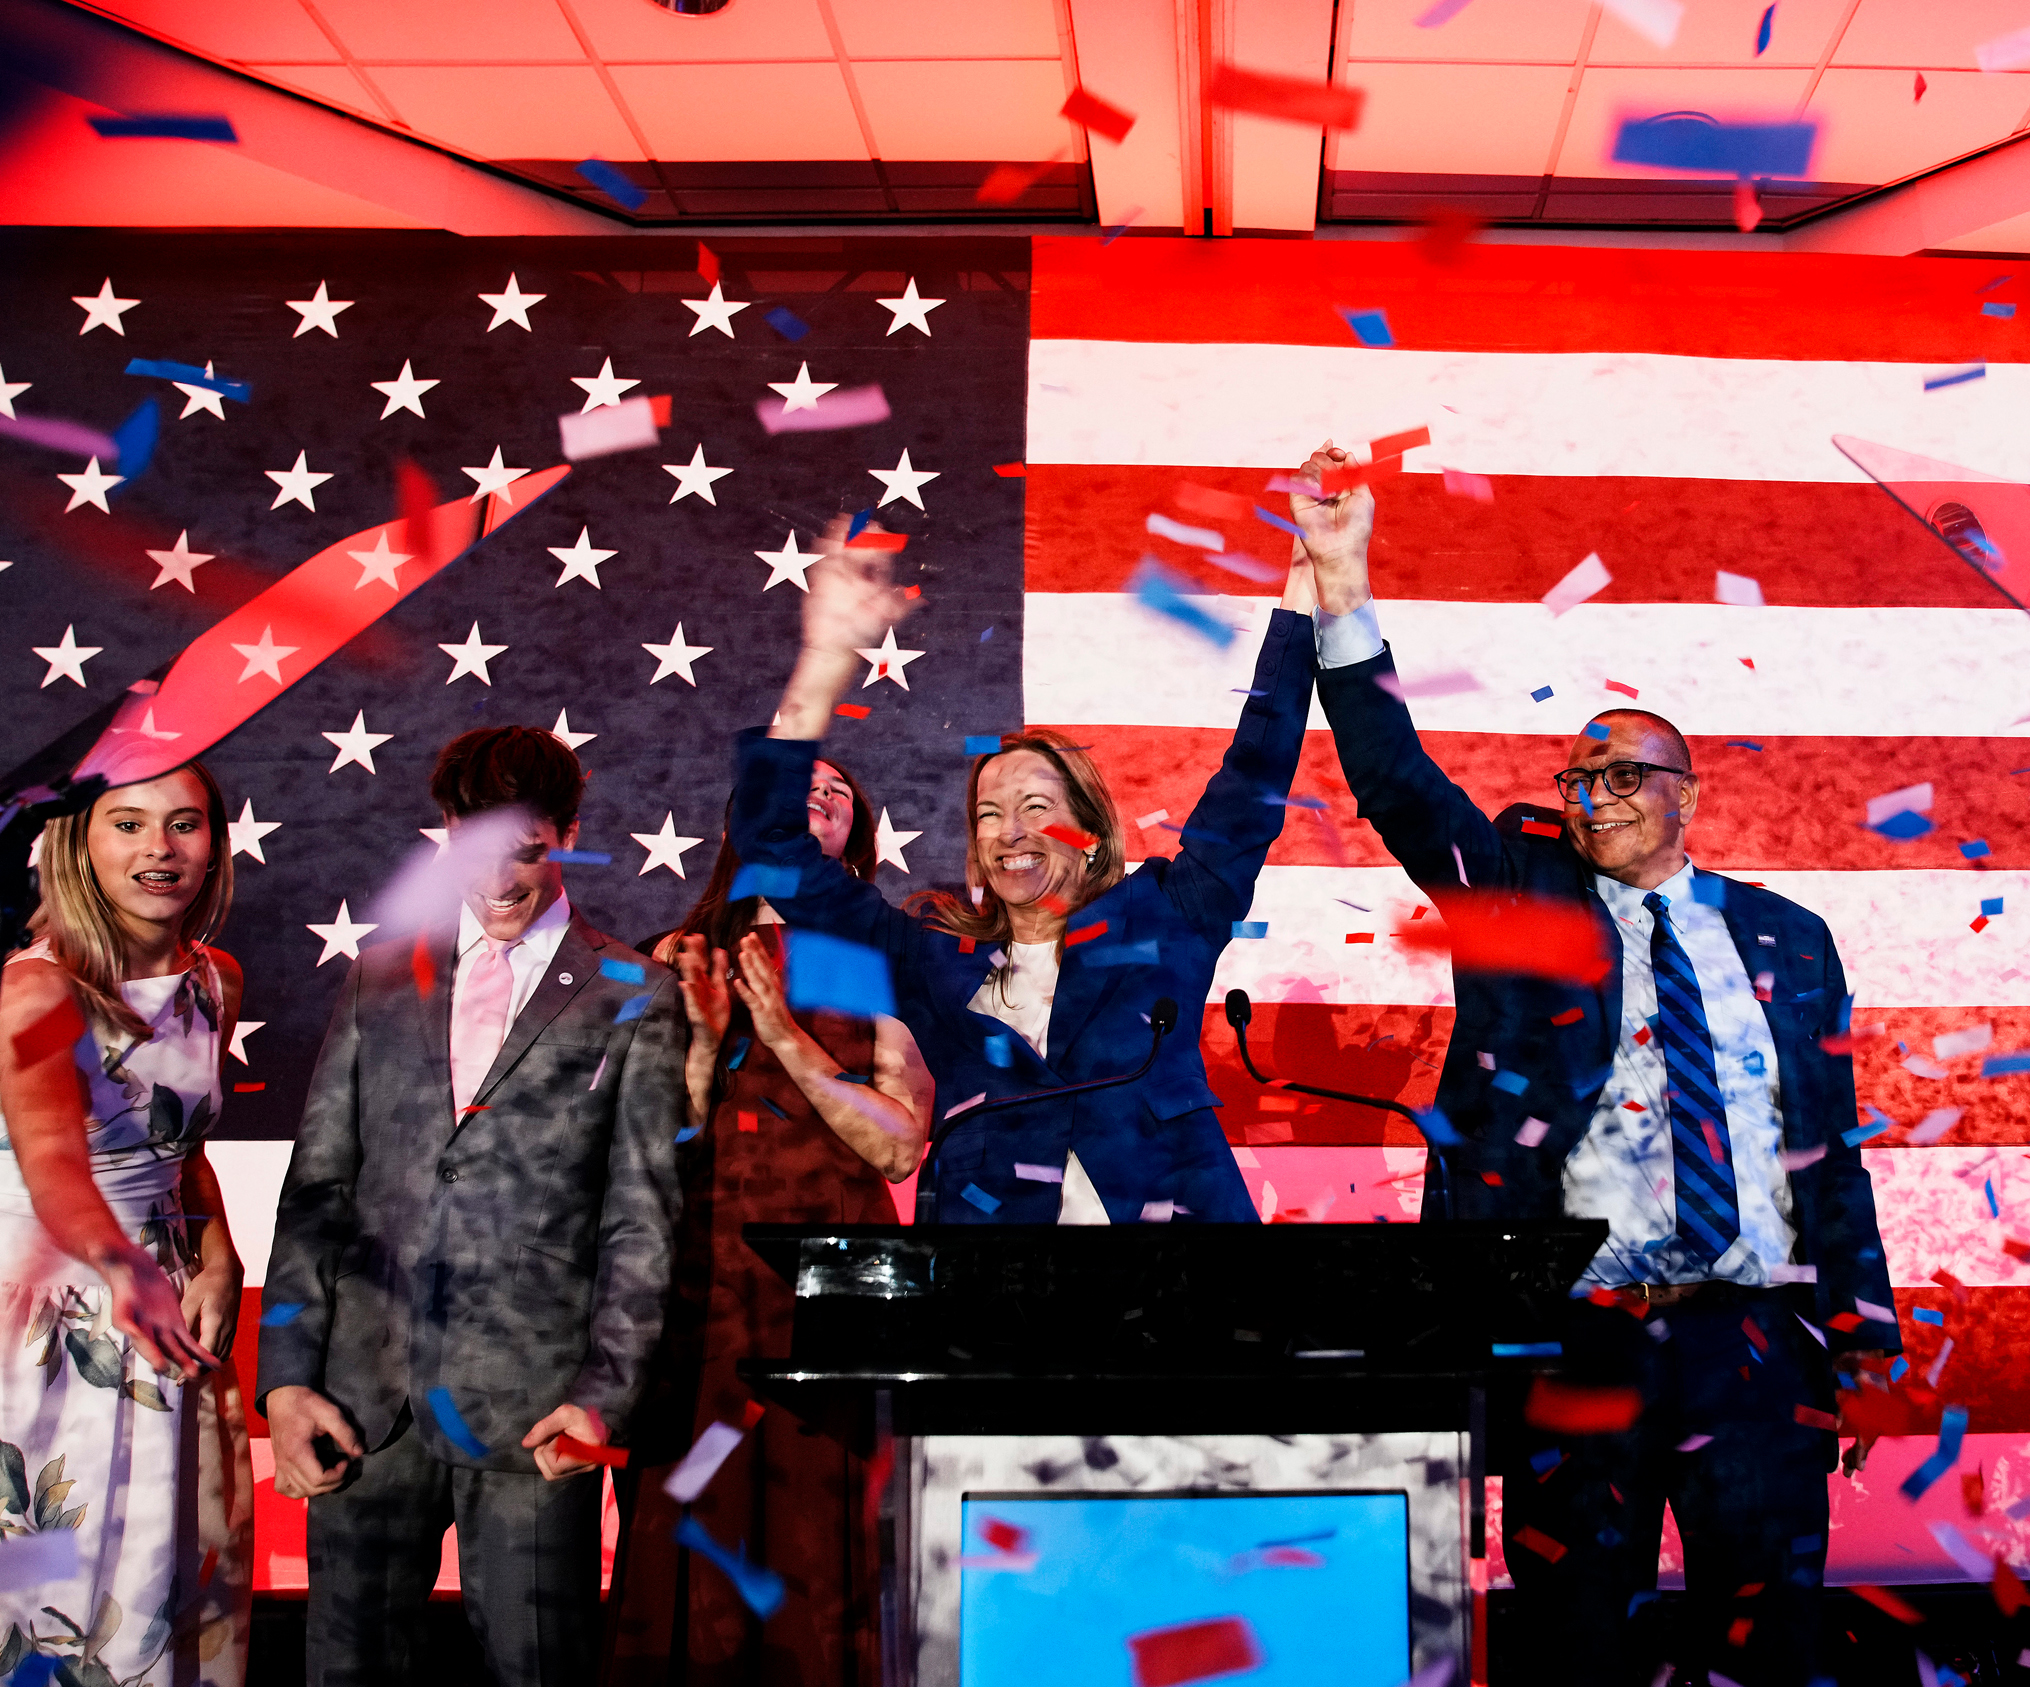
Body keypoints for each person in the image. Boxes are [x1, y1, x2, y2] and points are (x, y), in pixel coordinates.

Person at [1285, 443, 1897, 1687]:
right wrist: (1340, 585)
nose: (1594, 798)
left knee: (1770, 1641)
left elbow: (1826, 1144)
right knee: (1573, 1644)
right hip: (1579, 1339)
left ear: (1688, 793)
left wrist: (1863, 1332)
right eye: (1577, 780)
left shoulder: (1789, 935)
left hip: (1755, 1341)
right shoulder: (1524, 901)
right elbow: (1399, 784)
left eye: (1624, 776)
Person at [727, 523, 1319, 1225]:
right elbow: (771, 845)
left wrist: (1306, 588)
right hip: (996, 1305)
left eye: (1037, 807)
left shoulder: (1168, 917)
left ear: (1091, 837)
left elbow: (1255, 773)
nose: (1010, 831)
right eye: (988, 813)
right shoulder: (929, 959)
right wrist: (825, 658)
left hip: (1178, 1294)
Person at [259, 726, 688, 1687]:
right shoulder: (378, 978)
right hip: (362, 1409)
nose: (499, 878)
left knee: (541, 1670)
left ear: (568, 836)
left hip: (537, 1417)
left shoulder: (635, 992)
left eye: (528, 850)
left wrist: (602, 1398)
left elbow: (642, 1219)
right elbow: (316, 1193)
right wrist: (286, 1382)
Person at [606, 771, 932, 1687]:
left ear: (855, 831)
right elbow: (637, 1147)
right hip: (701, 1287)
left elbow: (900, 1147)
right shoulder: (666, 957)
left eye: (836, 786)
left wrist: (783, 1032)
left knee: (822, 1536)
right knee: (696, 1525)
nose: (814, 790)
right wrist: (706, 1045)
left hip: (837, 1293)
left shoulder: (883, 956)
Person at [0, 762, 254, 1683]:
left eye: (184, 823)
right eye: (130, 823)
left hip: (169, 1300)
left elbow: (180, 1154)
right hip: (48, 1318)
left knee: (166, 1565)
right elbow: (55, 1167)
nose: (160, 847)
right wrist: (121, 1266)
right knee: (45, 1571)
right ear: (80, 841)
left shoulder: (214, 979)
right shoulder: (37, 989)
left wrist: (219, 1260)